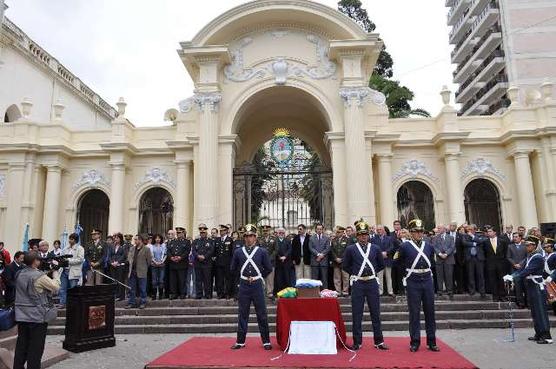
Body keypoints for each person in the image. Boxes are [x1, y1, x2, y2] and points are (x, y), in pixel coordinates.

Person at [342, 220, 388, 351]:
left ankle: (379, 341)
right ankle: (357, 342)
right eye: (361, 234)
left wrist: (371, 273)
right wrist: (356, 273)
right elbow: (345, 265)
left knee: (375, 313)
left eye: (365, 234)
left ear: (368, 235)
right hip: (358, 283)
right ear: (357, 236)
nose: (363, 236)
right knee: (357, 313)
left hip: (372, 283)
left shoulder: (375, 248)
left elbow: (381, 264)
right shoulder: (351, 249)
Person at [396, 219, 439, 352]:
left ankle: (431, 341)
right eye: (416, 232)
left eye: (421, 231)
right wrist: (406, 276)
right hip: (413, 280)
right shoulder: (404, 246)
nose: (419, 234)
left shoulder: (428, 246)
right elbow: (398, 264)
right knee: (414, 312)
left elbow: (432, 263)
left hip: (427, 280)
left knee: (430, 311)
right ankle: (415, 341)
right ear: (411, 233)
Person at [13, 252, 60, 369]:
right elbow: (56, 287)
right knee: (35, 350)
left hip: (21, 315)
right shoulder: (39, 276)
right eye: (39, 260)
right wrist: (55, 273)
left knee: (21, 347)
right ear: (35, 262)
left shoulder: (19, 273)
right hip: (37, 317)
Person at [230, 224, 273, 350]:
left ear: (255, 237)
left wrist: (259, 276)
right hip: (244, 286)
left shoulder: (262, 251)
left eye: (251, 236)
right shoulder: (238, 252)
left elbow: (269, 268)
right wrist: (242, 277)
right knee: (243, 314)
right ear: (244, 238)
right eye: (247, 236)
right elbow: (233, 268)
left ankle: (266, 341)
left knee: (262, 314)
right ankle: (240, 341)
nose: (249, 238)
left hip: (257, 285)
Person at [510, 235, 553, 344]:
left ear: (534, 245)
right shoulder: (529, 256)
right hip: (531, 285)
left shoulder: (537, 257)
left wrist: (514, 277)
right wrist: (510, 276)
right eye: (526, 245)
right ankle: (538, 333)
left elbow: (528, 270)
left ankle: (547, 336)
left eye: (528, 245)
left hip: (537, 285)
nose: (526, 247)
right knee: (534, 311)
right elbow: (521, 269)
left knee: (540, 311)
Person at [126, 234, 153, 309]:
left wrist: (144, 268)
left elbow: (149, 261)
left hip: (142, 272)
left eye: (136, 239)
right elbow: (129, 258)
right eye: (134, 239)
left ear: (140, 240)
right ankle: (132, 303)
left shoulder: (146, 249)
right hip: (132, 271)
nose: (134, 241)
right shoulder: (132, 248)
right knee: (132, 289)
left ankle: (143, 302)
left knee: (142, 289)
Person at [58, 233, 84, 308]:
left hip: (73, 271)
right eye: (69, 239)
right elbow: (61, 257)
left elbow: (80, 259)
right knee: (62, 288)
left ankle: (73, 304)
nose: (69, 240)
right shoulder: (65, 248)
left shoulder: (80, 248)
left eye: (71, 239)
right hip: (64, 271)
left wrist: (68, 261)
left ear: (75, 240)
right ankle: (62, 303)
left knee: (73, 289)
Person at [484, 226, 509, 302]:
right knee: (493, 280)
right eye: (488, 232)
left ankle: (502, 295)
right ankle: (495, 296)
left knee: (501, 280)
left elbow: (505, 252)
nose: (488, 233)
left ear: (495, 232)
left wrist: (504, 262)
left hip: (501, 263)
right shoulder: (485, 242)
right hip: (491, 264)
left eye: (490, 231)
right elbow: (485, 253)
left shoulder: (502, 241)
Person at [432, 224, 455, 299]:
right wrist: (439, 254)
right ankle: (440, 291)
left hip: (448, 259)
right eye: (438, 228)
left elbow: (452, 247)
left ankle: (450, 291)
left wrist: (446, 254)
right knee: (439, 276)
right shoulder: (435, 238)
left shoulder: (451, 237)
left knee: (449, 276)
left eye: (439, 228)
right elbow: (434, 247)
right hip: (439, 259)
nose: (438, 229)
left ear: (444, 229)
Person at [462, 224, 486, 298]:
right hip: (470, 258)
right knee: (470, 275)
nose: (468, 231)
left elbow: (481, 241)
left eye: (470, 229)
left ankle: (482, 290)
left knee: (480, 275)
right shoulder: (465, 236)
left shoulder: (479, 235)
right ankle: (472, 290)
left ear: (474, 229)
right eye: (468, 229)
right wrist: (474, 243)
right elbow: (464, 243)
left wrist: (473, 237)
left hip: (478, 258)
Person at [166, 227, 190, 299]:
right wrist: (171, 257)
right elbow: (168, 251)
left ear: (183, 233)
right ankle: (174, 293)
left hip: (182, 264)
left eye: (180, 233)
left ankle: (182, 293)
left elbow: (187, 251)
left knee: (182, 279)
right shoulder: (172, 241)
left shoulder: (187, 242)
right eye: (177, 233)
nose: (178, 234)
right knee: (173, 280)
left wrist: (180, 257)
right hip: (173, 264)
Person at [192, 224, 215, 299]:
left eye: (204, 230)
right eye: (201, 231)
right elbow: (193, 251)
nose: (202, 232)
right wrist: (198, 256)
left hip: (207, 263)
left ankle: (207, 294)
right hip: (198, 263)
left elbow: (211, 250)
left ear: (206, 231)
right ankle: (199, 294)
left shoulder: (210, 241)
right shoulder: (195, 241)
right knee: (198, 280)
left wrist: (204, 256)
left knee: (207, 280)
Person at [372, 225, 395, 296]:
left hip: (387, 260)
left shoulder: (389, 238)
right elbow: (373, 248)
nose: (379, 231)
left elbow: (392, 247)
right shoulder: (373, 239)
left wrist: (386, 252)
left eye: (380, 229)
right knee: (379, 277)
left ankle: (390, 291)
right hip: (379, 261)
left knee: (389, 277)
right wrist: (380, 254)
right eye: (378, 230)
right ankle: (380, 291)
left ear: (383, 230)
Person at [507, 232, 528, 308]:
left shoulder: (525, 246)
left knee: (526, 286)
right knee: (517, 287)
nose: (514, 238)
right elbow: (508, 257)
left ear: (520, 238)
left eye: (516, 237)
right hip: (514, 269)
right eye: (514, 237)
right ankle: (520, 303)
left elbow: (527, 256)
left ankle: (528, 303)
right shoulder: (510, 246)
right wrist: (514, 264)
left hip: (524, 269)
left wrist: (521, 264)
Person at [215, 225, 234, 299]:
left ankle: (227, 293)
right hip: (219, 263)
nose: (221, 232)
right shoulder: (217, 240)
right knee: (219, 279)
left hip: (227, 263)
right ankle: (220, 293)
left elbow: (232, 252)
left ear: (226, 231)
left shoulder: (230, 240)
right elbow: (215, 251)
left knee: (227, 279)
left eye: (223, 230)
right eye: (220, 231)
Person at [309, 223, 330, 289]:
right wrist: (318, 254)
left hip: (323, 261)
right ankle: (314, 292)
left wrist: (321, 255)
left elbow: (328, 248)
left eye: (320, 229)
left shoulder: (326, 238)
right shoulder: (311, 238)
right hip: (315, 261)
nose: (319, 230)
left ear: (323, 230)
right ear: (315, 230)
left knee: (324, 278)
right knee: (314, 278)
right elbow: (310, 248)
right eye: (318, 229)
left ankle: (325, 292)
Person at [107, 233, 128, 301]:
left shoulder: (124, 246)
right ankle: (115, 294)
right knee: (113, 280)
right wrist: (111, 262)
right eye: (115, 238)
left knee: (120, 280)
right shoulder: (112, 246)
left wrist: (117, 262)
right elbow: (109, 255)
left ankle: (121, 296)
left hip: (120, 265)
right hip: (112, 265)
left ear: (120, 239)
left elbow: (124, 255)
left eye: (117, 238)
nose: (115, 239)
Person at [331, 226, 350, 296]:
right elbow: (332, 250)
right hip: (336, 262)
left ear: (342, 232)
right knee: (337, 278)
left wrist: (342, 258)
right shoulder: (333, 240)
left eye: (339, 232)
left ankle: (345, 291)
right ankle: (338, 291)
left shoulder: (347, 240)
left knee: (345, 277)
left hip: (344, 262)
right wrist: (336, 258)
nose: (337, 233)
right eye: (337, 232)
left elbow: (347, 250)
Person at [274, 227, 294, 293]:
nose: (281, 233)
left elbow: (290, 249)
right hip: (278, 262)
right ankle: (279, 292)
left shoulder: (288, 240)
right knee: (279, 279)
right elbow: (274, 250)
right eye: (280, 232)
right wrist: (279, 257)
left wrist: (285, 256)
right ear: (277, 233)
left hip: (286, 262)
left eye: (283, 232)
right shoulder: (275, 240)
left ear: (284, 233)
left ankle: (287, 292)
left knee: (287, 278)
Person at [260, 225, 277, 297]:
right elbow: (258, 249)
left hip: (271, 262)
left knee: (270, 278)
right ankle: (262, 292)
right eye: (264, 231)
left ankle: (270, 292)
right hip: (262, 262)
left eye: (266, 231)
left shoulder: (274, 238)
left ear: (269, 231)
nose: (265, 232)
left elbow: (276, 250)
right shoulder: (259, 239)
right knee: (262, 277)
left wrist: (270, 258)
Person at [149, 234, 166, 300]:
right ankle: (154, 295)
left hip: (162, 265)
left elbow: (165, 254)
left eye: (159, 238)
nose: (158, 239)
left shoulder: (163, 246)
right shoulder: (151, 246)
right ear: (154, 239)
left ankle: (161, 295)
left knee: (161, 280)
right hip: (154, 265)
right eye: (156, 238)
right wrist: (155, 262)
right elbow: (150, 255)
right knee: (154, 281)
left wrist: (162, 261)